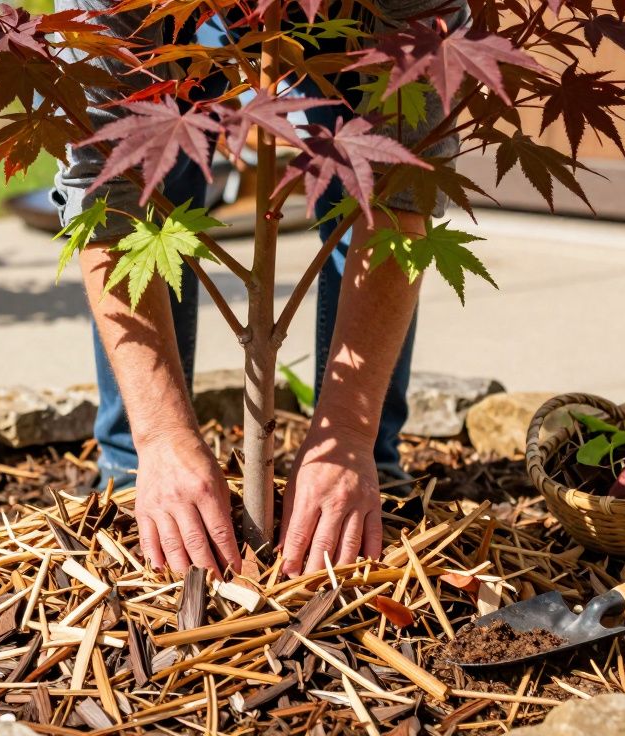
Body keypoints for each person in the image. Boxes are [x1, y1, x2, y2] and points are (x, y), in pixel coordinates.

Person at [52, 0, 466, 578]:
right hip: (165, 20)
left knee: (366, 175)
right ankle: (135, 475)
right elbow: (105, 196)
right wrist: (160, 435)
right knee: (150, 162)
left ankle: (362, 472)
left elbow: (401, 195)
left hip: (362, 17)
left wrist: (348, 434)